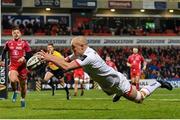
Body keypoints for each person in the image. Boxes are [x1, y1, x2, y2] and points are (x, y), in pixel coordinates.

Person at [38, 36, 173, 104]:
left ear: (82, 46)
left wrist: (49, 57)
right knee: (109, 93)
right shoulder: (79, 53)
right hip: (107, 85)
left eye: (74, 48)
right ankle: (116, 93)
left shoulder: (89, 56)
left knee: (139, 98)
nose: (72, 50)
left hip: (118, 82)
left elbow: (66, 67)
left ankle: (158, 82)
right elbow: (65, 60)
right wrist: (49, 58)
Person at [0, 27, 32, 108]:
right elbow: (4, 52)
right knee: (12, 79)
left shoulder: (25, 43)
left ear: (20, 34)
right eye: (14, 33)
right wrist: (2, 60)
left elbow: (29, 54)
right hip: (13, 66)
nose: (16, 34)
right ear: (12, 34)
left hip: (22, 67)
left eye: (18, 32)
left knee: (23, 86)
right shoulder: (8, 43)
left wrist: (24, 58)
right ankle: (15, 91)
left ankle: (22, 99)